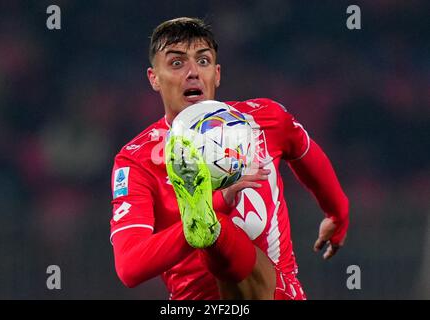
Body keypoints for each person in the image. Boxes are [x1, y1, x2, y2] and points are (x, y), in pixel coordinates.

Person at [110, 17, 349, 300]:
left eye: (203, 61)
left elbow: (305, 153)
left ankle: (207, 224)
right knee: (225, 237)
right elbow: (130, 266)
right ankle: (205, 224)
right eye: (177, 63)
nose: (192, 73)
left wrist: (337, 213)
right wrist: (338, 213)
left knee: (227, 241)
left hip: (252, 290)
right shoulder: (137, 161)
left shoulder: (266, 119)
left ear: (218, 73)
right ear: (154, 79)